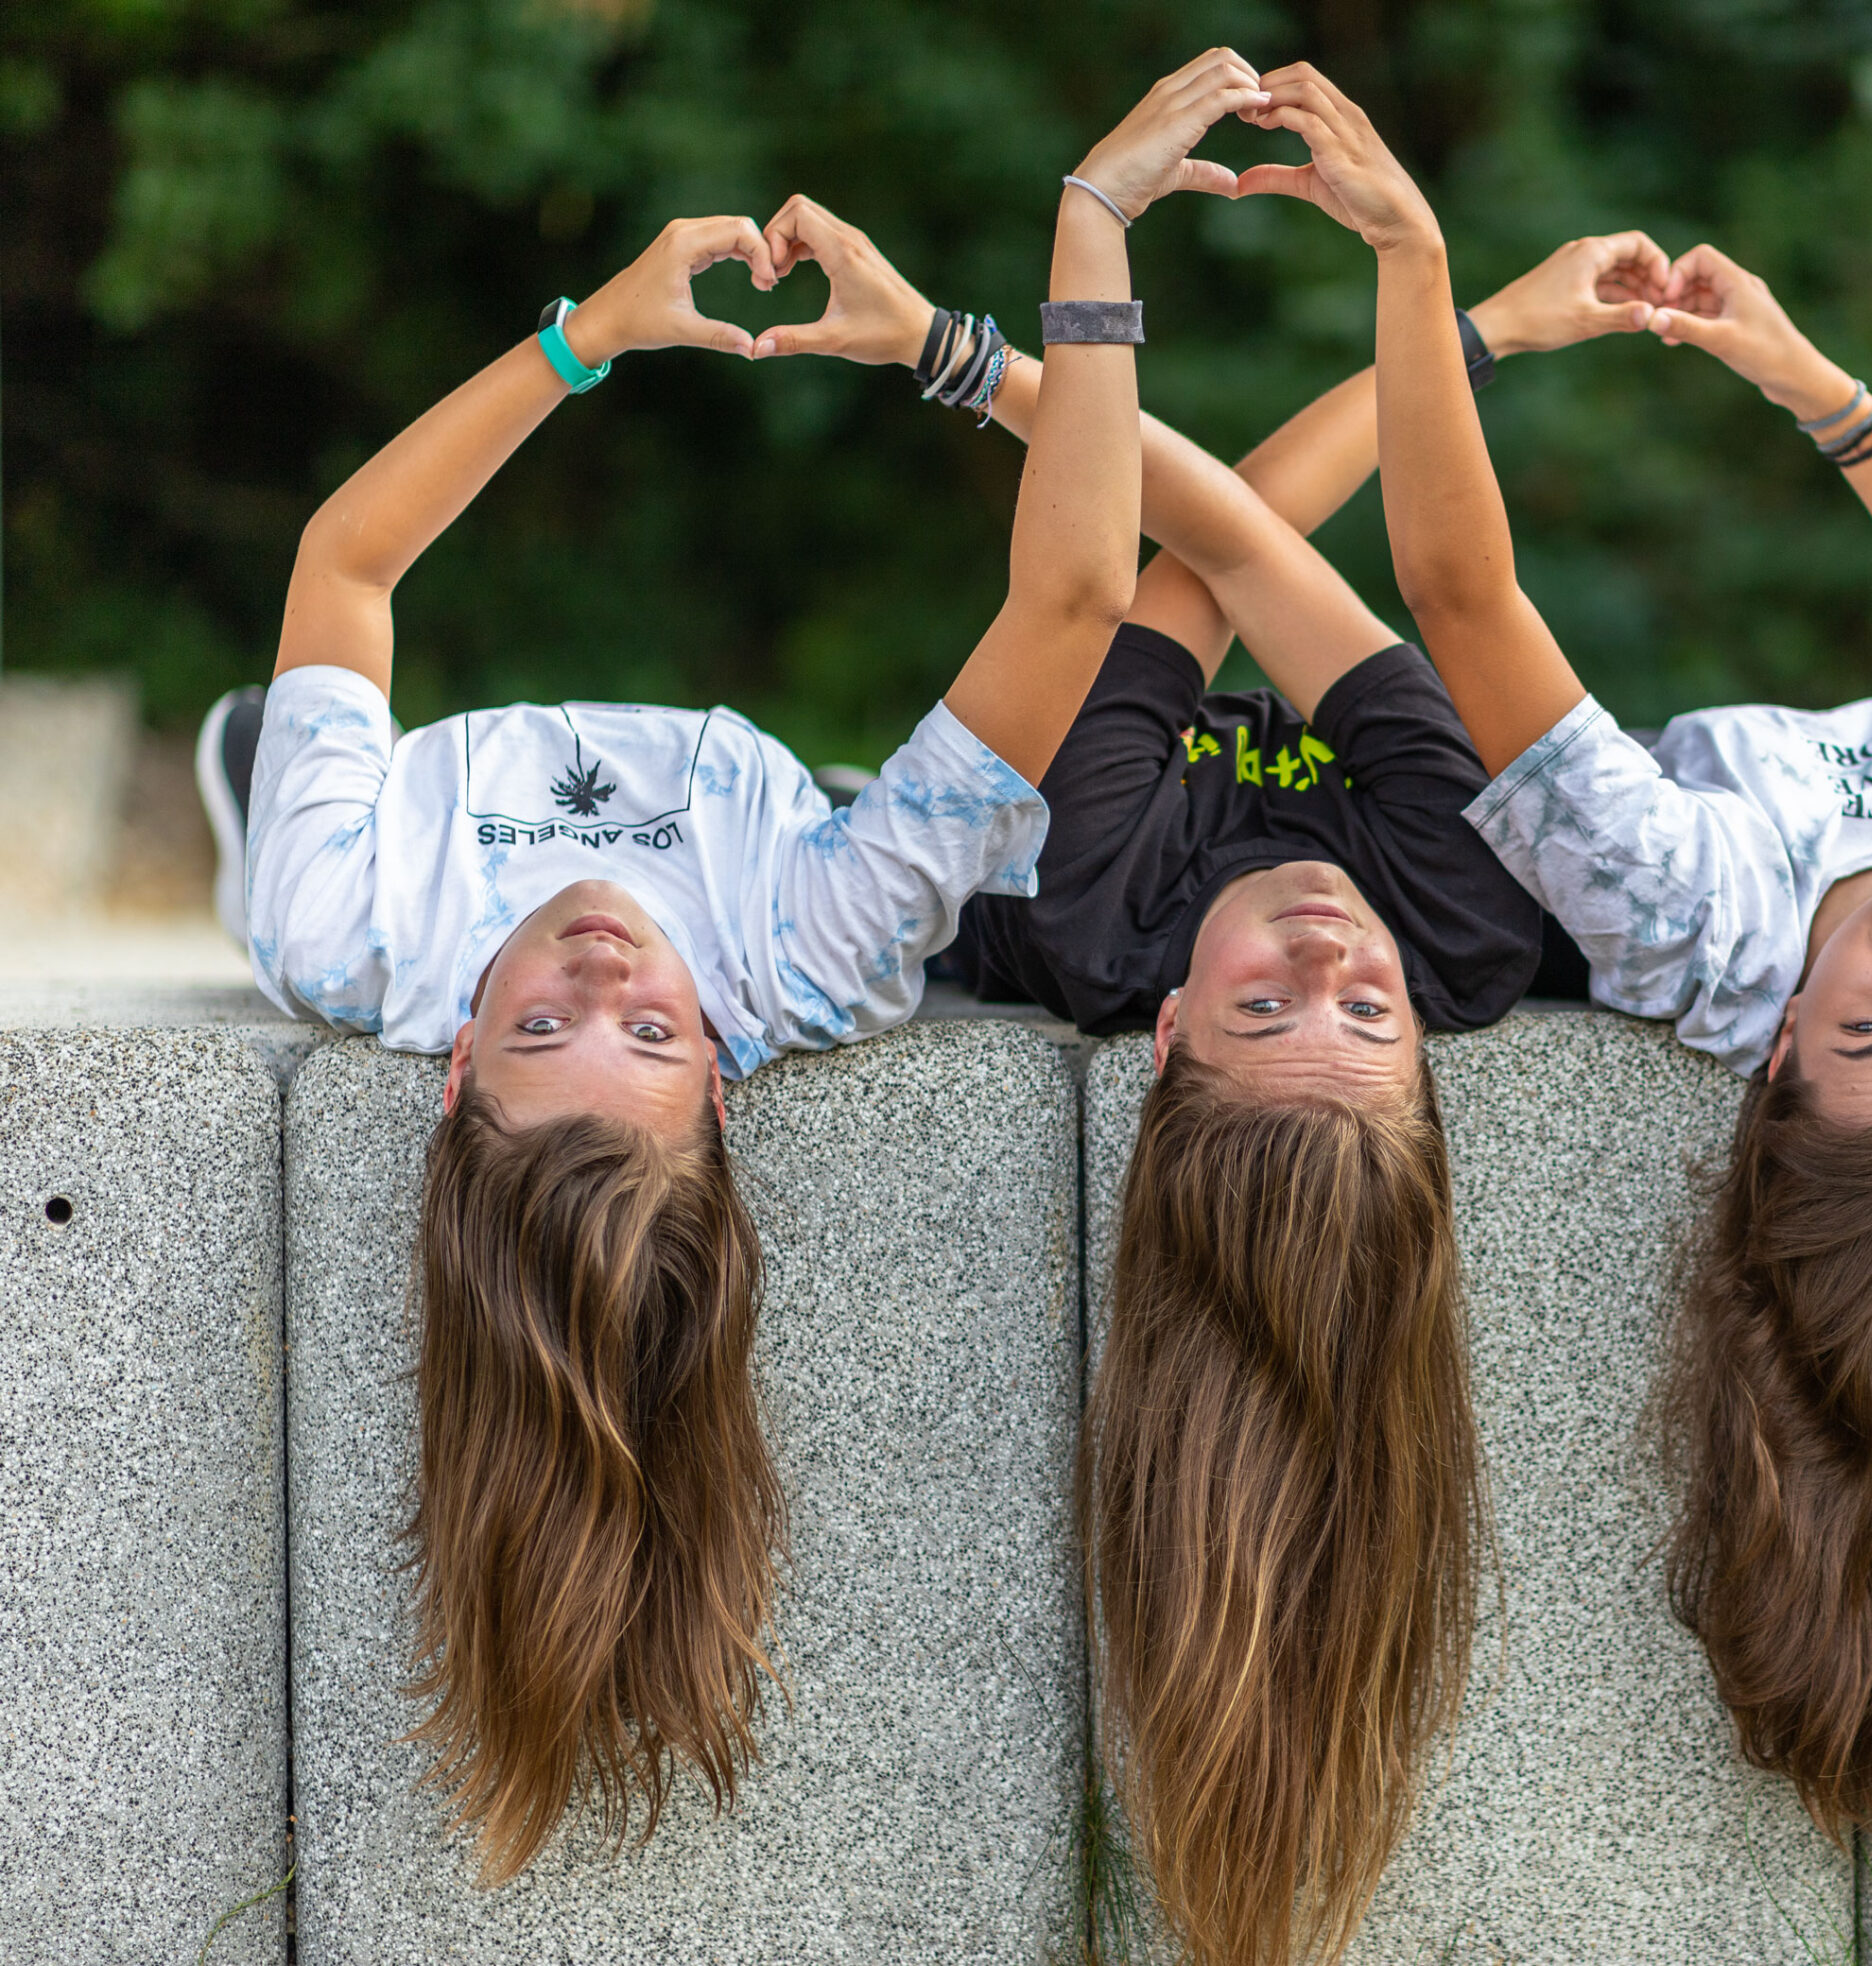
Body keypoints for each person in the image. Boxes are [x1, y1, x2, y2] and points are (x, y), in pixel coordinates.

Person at [197, 49, 1273, 1883]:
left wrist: (585, 337)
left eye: (548, 1023)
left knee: (283, 753)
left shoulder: (357, 931)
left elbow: (351, 563)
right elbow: (1077, 598)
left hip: (402, 790)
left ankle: (260, 761)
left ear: (454, 1066)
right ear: (727, 1080)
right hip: (796, 813)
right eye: (650, 1029)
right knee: (938, 829)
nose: (606, 963)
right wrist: (1078, 235)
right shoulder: (811, 958)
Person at [1236, 66, 1872, 1869]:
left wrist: (1423, 271)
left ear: (1774, 1059)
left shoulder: (1698, 926)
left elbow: (1462, 597)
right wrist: (1808, 383)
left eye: (1868, 1025)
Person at [733, 198, 1665, 1964]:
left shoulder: (1100, 916)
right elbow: (1242, 536)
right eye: (1360, 1016)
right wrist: (1463, 338)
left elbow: (1208, 551)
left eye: (1265, 1009)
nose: (1325, 949)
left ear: (1166, 1034)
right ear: (1428, 1047)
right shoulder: (1462, 925)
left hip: (927, 806)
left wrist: (956, 351)